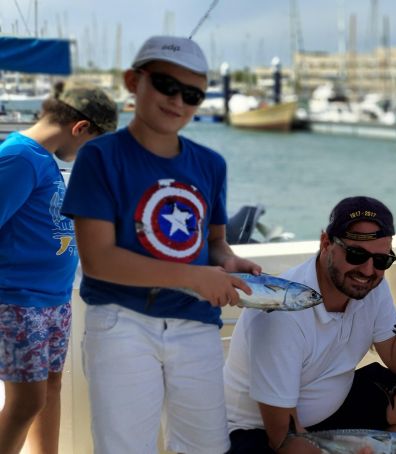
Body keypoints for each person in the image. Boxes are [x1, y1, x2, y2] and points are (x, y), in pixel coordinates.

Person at [61, 36, 261, 453]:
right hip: (121, 322)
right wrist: (193, 275)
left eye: (192, 94)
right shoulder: (99, 156)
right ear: (134, 81)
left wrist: (230, 262)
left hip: (196, 325)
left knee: (207, 447)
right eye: (167, 85)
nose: (178, 101)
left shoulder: (211, 164)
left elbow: (216, 242)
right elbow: (98, 260)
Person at [223, 196, 396, 453]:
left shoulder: (372, 286)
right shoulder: (281, 314)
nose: (368, 270)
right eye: (356, 254)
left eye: (381, 260)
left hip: (331, 410)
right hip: (256, 431)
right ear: (326, 243)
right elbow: (284, 438)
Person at [0, 83, 117, 454]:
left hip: (53, 300)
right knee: (26, 402)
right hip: (19, 302)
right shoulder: (20, 157)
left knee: (51, 389)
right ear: (80, 128)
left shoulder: (45, 158)